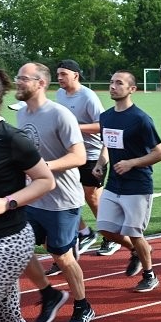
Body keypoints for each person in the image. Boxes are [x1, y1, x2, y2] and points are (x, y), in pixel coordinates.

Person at [0, 68, 65, 322]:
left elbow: (45, 180)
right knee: (6, 314)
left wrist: (6, 202)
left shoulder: (11, 139)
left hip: (8, 239)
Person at [16, 62, 95, 322]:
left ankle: (83, 304)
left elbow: (79, 156)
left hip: (63, 200)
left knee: (62, 256)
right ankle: (50, 294)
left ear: (40, 83)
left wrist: (43, 169)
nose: (18, 82)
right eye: (17, 77)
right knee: (19, 245)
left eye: (23, 78)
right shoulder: (22, 115)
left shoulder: (60, 114)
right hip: (33, 197)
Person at [92, 71, 161, 292]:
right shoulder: (106, 117)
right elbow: (107, 145)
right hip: (114, 184)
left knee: (134, 232)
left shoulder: (141, 119)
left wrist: (132, 163)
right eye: (111, 82)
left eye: (119, 83)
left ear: (132, 89)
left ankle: (149, 274)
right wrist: (100, 163)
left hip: (138, 185)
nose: (113, 86)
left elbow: (159, 153)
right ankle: (136, 250)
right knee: (104, 228)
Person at [54, 59, 118, 257]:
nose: (59, 78)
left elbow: (102, 125)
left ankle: (111, 236)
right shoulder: (59, 94)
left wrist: (73, 127)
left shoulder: (88, 97)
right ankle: (85, 232)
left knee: (92, 197)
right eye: (57, 74)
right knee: (63, 195)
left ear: (75, 75)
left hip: (92, 154)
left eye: (63, 74)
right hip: (71, 153)